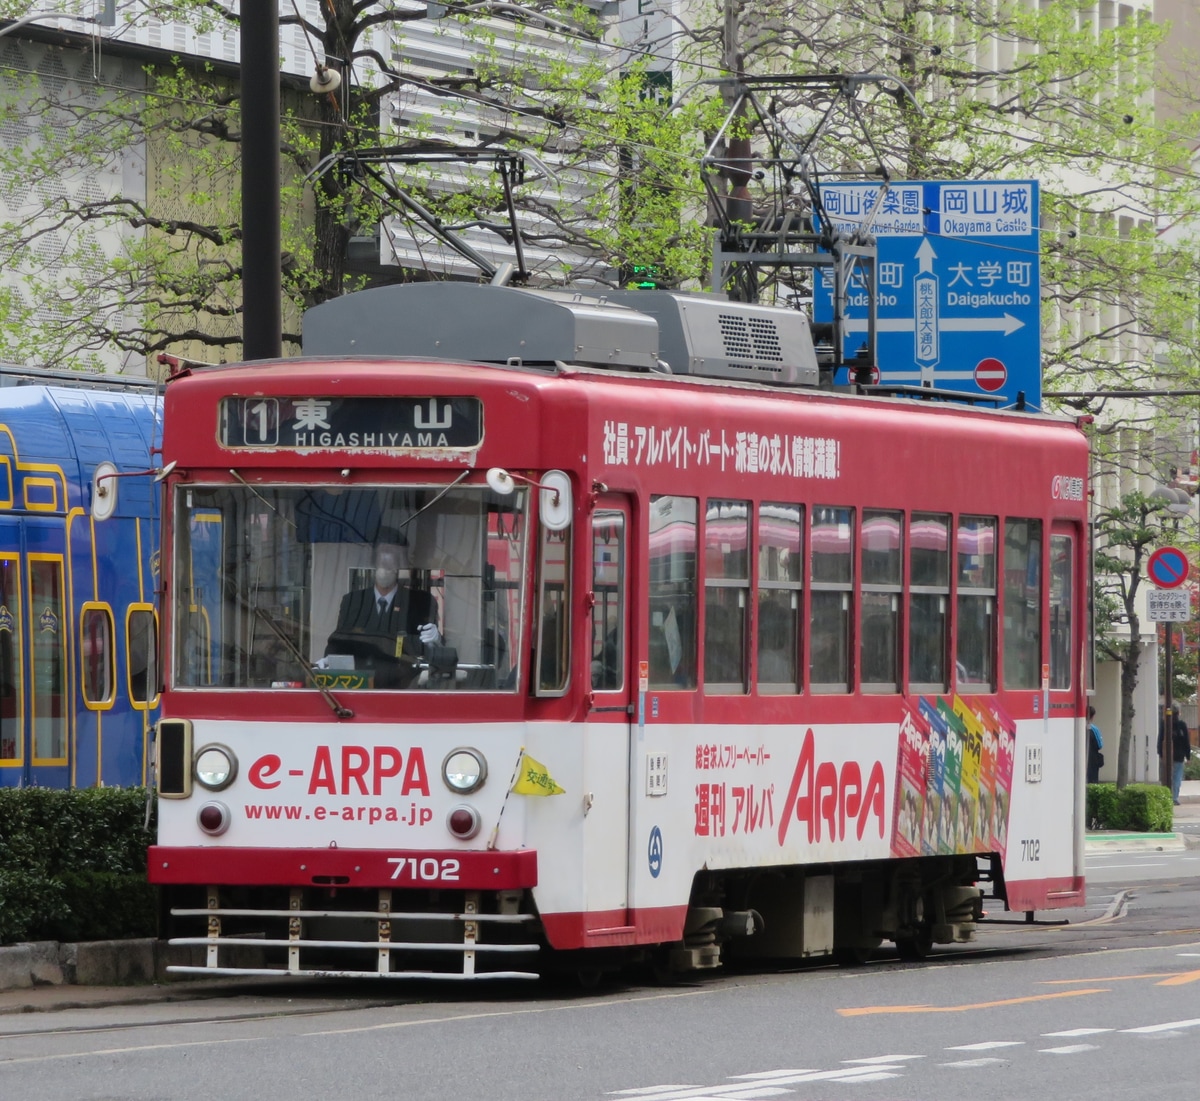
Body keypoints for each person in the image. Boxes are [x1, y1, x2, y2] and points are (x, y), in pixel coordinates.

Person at [323, 544, 440, 688]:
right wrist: (328, 660)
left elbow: (435, 653)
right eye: (382, 564)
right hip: (361, 686)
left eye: (391, 565)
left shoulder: (421, 601)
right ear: (374, 566)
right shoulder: (353, 601)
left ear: (398, 567)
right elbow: (339, 641)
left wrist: (436, 641)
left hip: (406, 687)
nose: (385, 570)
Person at [1157, 704, 1192, 805]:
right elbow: (1186, 742)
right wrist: (1188, 756)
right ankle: (1174, 797)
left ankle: (1166, 797)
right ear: (1179, 713)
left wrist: (1160, 753)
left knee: (1166, 776)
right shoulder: (1182, 725)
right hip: (1179, 756)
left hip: (1166, 755)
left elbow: (1160, 740)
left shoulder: (1164, 724)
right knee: (1177, 777)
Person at [1086, 705, 1103, 784]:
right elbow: (1100, 745)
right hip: (1092, 760)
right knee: (1092, 782)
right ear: (1092, 716)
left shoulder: (1077, 727)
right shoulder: (1094, 729)